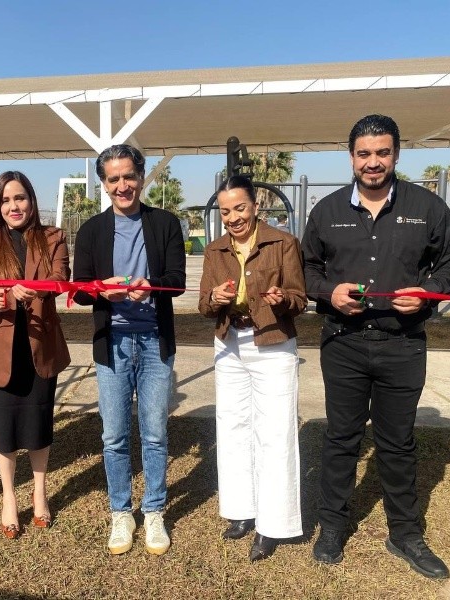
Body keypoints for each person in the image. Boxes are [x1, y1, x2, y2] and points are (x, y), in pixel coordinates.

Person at [302, 114, 450, 579]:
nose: (372, 162)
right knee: (341, 438)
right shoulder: (326, 211)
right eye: (364, 153)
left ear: (396, 154)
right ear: (351, 156)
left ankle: (405, 534)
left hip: (403, 343)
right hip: (344, 342)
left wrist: (429, 292)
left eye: (382, 152)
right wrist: (328, 292)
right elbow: (307, 269)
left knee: (397, 443)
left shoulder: (427, 207)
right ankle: (333, 525)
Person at [72, 144, 186, 556]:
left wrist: (149, 287)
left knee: (154, 433)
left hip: (155, 341)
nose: (123, 185)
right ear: (104, 185)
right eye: (113, 179)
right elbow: (79, 290)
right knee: (114, 435)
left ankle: (153, 510)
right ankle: (121, 512)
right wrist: (102, 290)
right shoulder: (91, 231)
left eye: (129, 176)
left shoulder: (165, 223)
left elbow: (177, 280)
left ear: (141, 176)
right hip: (113, 343)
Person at [198, 175, 307, 562]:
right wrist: (215, 297)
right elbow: (204, 305)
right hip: (229, 343)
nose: (233, 218)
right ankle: (241, 509)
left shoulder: (283, 243)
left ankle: (273, 523)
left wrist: (282, 299)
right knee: (233, 427)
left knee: (275, 432)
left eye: (240, 208)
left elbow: (300, 299)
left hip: (273, 342)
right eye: (226, 211)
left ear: (256, 207)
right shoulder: (214, 251)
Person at [0, 171, 71, 540]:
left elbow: (61, 278)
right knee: (2, 428)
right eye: (6, 200)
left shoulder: (53, 237)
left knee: (38, 424)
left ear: (32, 200)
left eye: (20, 198)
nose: (14, 206)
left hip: (41, 346)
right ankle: (9, 497)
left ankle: (40, 493)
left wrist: (35, 290)